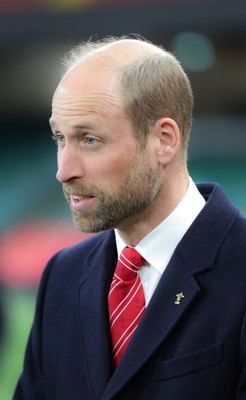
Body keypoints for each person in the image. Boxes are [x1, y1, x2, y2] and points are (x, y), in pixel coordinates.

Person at [14, 35, 246, 400]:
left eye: (89, 139)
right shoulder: (62, 276)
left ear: (163, 140)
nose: (63, 170)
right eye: (60, 138)